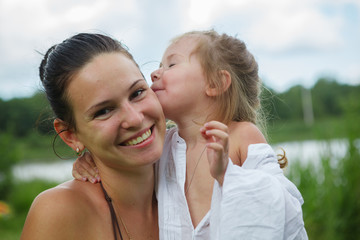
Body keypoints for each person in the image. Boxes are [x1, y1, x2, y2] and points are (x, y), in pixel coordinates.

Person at [73, 30, 307, 239]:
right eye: (159, 65)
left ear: (215, 83)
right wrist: (93, 159)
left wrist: (228, 175)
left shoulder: (240, 135)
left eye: (171, 66)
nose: (155, 73)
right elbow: (130, 170)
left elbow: (275, 197)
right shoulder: (164, 146)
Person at [20, 33, 167, 239]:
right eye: (104, 111)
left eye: (137, 93)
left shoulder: (200, 171)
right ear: (71, 136)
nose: (134, 119)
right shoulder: (59, 212)